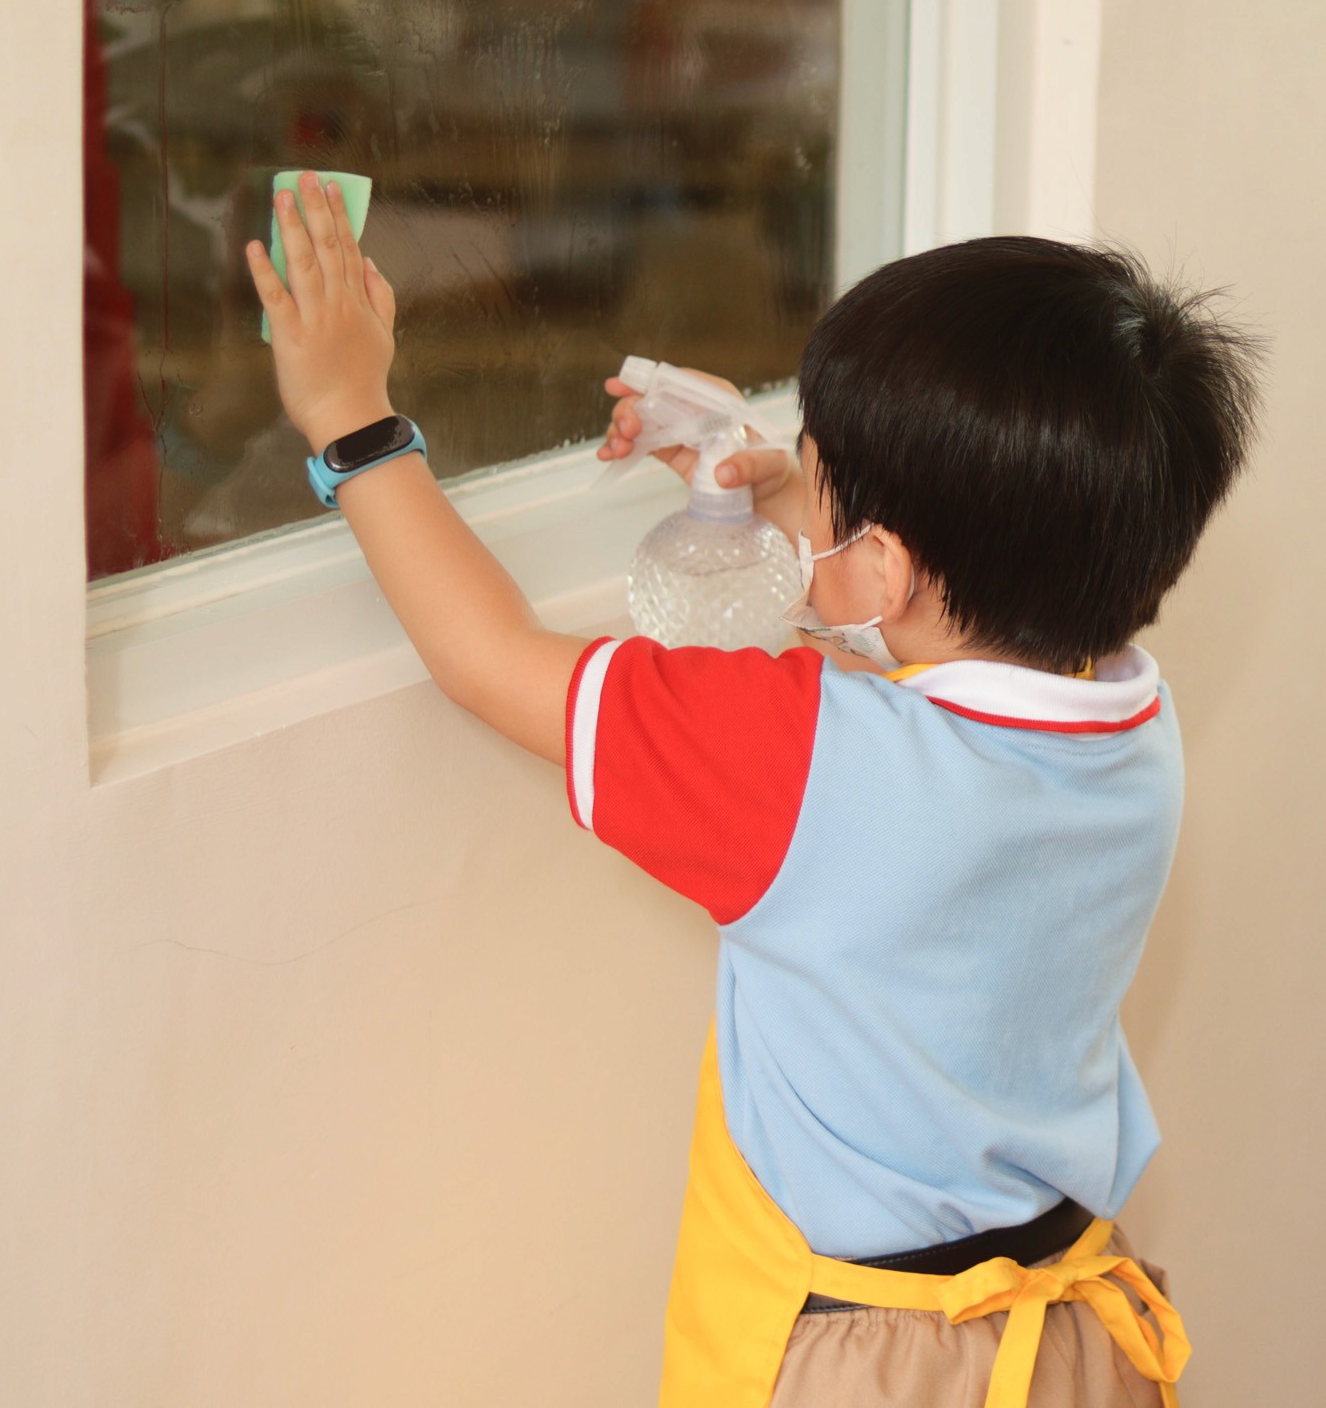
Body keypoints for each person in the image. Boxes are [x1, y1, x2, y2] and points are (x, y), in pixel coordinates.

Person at [244, 174, 1261, 1407]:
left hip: (867, 1366)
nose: (800, 489)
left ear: (886, 565)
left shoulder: (799, 761)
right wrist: (782, 496)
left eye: (819, 476)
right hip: (1065, 1341)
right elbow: (929, 656)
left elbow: (488, 658)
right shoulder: (1127, 722)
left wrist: (352, 418)